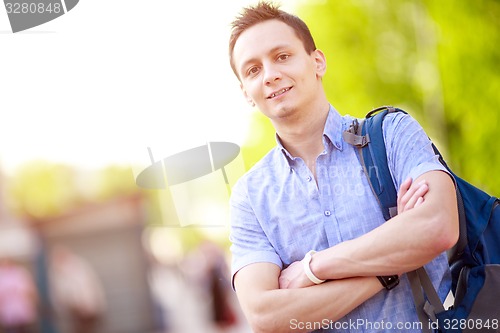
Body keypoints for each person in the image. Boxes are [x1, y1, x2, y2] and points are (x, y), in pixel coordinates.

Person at [227, 2, 458, 333]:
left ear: (317, 62)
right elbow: (267, 317)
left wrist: (311, 269)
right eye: (252, 70)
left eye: (282, 56)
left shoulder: (391, 133)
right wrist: (390, 264)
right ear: (246, 94)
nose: (270, 75)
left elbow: (438, 227)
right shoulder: (250, 197)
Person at [0, 257, 38, 333]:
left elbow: (30, 290)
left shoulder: (21, 273)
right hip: (8, 312)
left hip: (22, 310)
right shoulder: (2, 276)